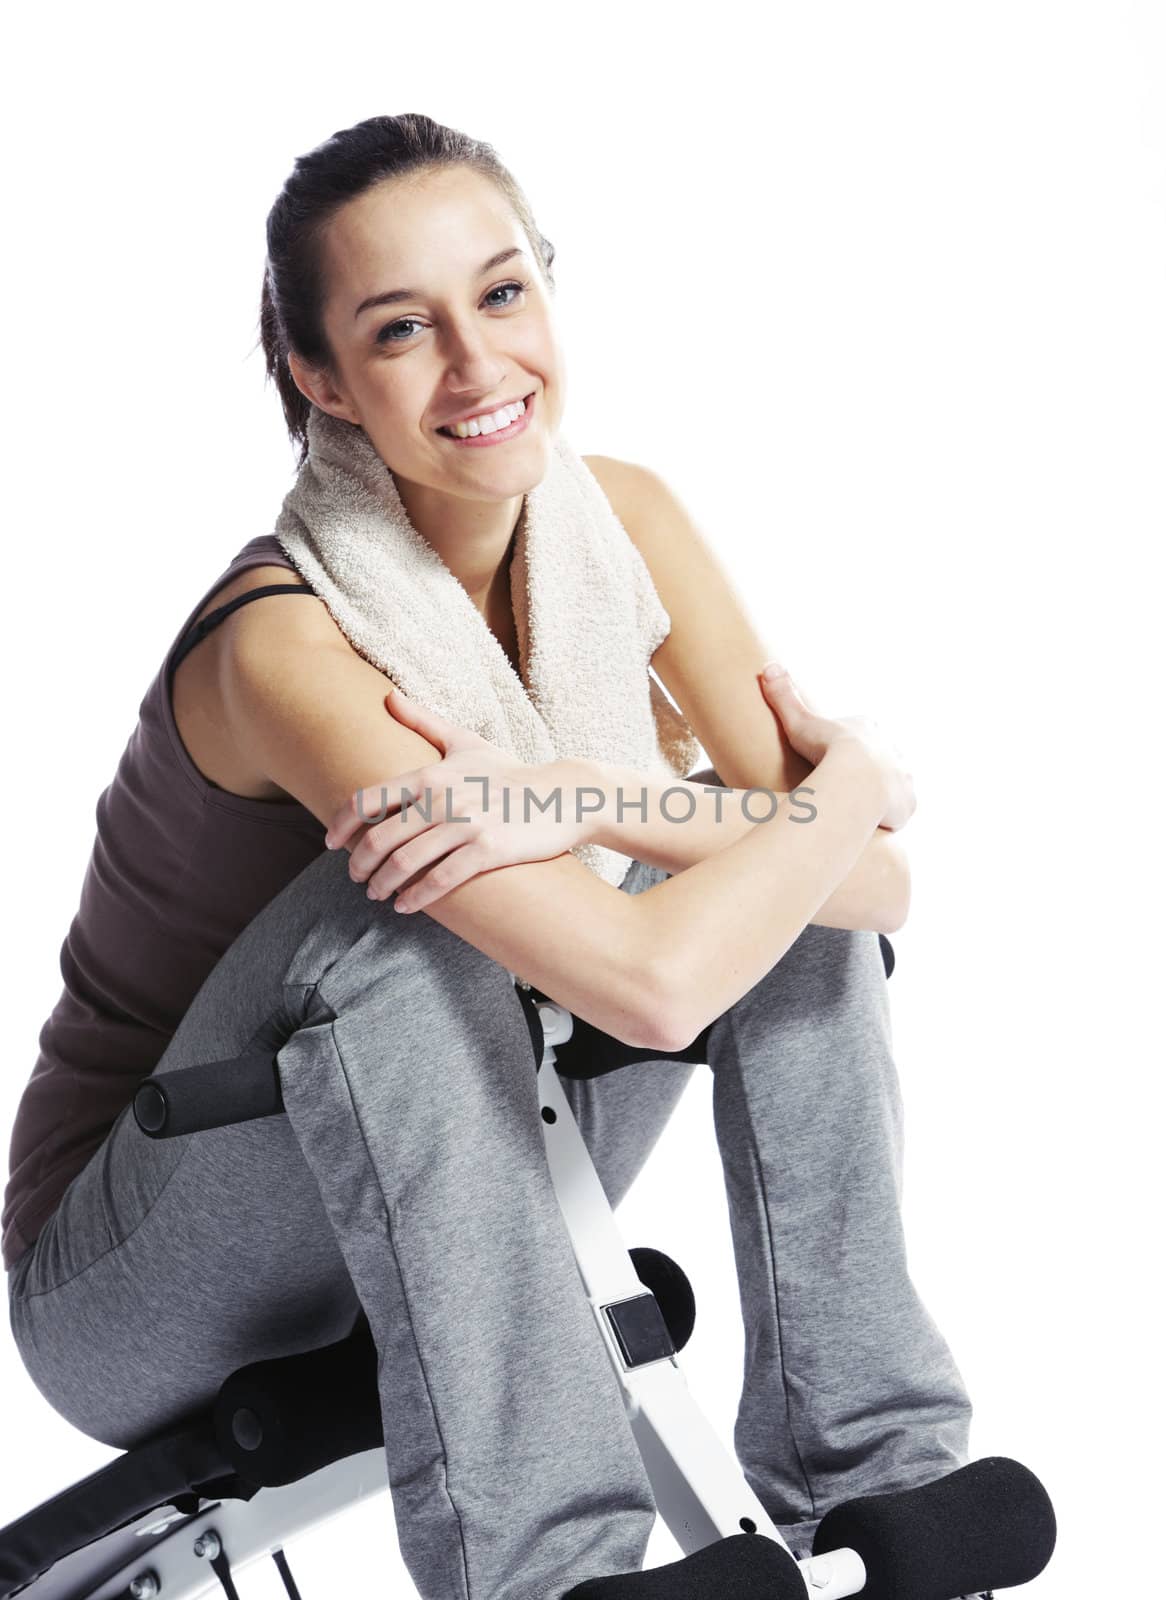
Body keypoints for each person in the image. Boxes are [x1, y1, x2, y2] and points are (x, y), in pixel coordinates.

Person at [5, 112, 972, 1600]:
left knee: (765, 876)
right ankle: (544, 1569)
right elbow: (654, 994)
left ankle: (876, 1462)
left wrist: (595, 796)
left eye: (502, 294)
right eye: (401, 329)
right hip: (153, 1262)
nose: (476, 367)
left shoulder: (627, 518)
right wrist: (843, 788)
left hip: (473, 1144)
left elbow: (870, 895)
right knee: (400, 897)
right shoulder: (286, 640)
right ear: (317, 377)